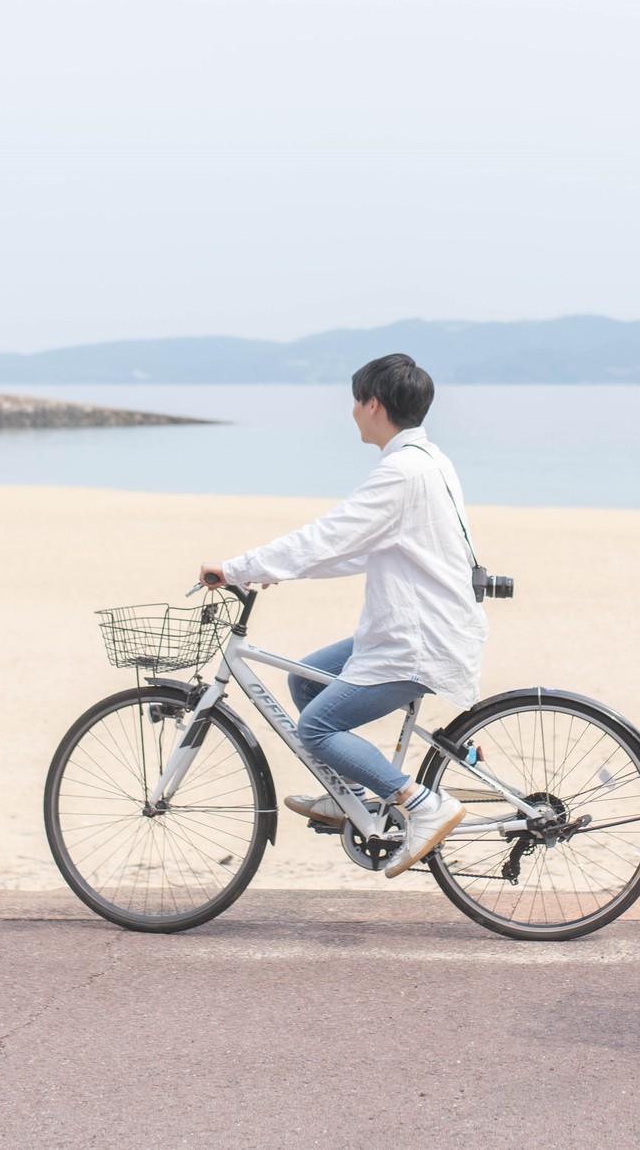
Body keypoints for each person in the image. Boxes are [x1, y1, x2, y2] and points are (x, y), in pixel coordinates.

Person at [198, 353, 486, 879]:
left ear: (372, 404)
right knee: (306, 682)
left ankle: (420, 804)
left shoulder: (401, 472)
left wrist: (239, 566)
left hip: (418, 641)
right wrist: (277, 569)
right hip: (414, 628)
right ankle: (350, 794)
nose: (352, 413)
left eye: (356, 402)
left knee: (317, 726)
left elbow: (328, 535)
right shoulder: (429, 460)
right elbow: (356, 548)